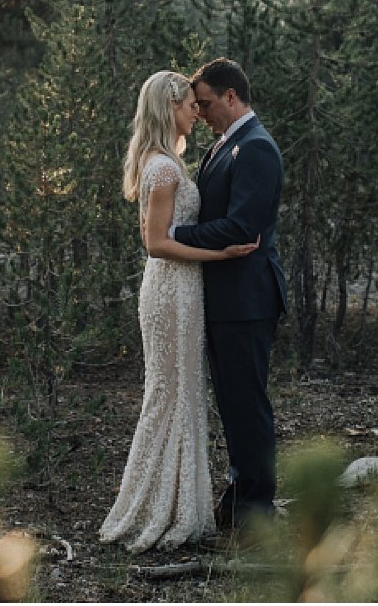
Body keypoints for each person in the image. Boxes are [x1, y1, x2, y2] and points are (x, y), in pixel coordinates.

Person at [99, 71, 259, 553]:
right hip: (171, 291)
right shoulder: (164, 170)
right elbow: (155, 243)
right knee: (169, 394)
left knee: (179, 392)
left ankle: (173, 504)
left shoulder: (163, 161)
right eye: (191, 104)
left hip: (181, 289)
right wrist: (221, 253)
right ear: (169, 108)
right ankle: (154, 508)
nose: (197, 112)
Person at [173, 58, 287, 544]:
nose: (201, 114)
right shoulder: (225, 145)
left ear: (231, 96)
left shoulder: (255, 147)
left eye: (206, 104)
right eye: (196, 106)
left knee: (247, 405)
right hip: (226, 299)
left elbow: (243, 227)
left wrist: (173, 236)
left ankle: (257, 512)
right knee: (233, 404)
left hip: (246, 299)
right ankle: (240, 498)